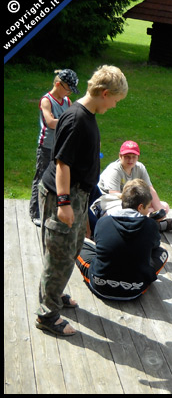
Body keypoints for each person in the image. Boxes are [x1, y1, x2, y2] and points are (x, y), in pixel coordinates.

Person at [36, 65, 128, 337]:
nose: (114, 106)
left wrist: (84, 207)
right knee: (59, 255)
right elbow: (62, 163)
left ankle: (56, 292)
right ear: (104, 93)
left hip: (78, 195)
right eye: (115, 100)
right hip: (62, 195)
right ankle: (47, 315)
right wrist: (64, 205)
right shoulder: (77, 119)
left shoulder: (86, 115)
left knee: (71, 249)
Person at [76, 179, 169, 300]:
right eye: (148, 207)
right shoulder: (150, 226)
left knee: (78, 243)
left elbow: (100, 246)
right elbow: (155, 248)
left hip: (100, 285)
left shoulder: (103, 222)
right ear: (140, 207)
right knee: (163, 251)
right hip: (134, 290)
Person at [30, 69, 79, 226]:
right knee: (40, 178)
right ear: (58, 84)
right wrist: (68, 121)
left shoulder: (67, 101)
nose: (70, 92)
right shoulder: (47, 100)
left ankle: (51, 208)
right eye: (68, 88)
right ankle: (35, 212)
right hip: (46, 146)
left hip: (60, 146)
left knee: (56, 178)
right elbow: (50, 122)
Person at [95, 140, 172, 231]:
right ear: (120, 156)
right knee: (123, 212)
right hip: (108, 204)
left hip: (131, 203)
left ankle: (147, 222)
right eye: (127, 157)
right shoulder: (114, 170)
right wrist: (140, 209)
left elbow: (150, 190)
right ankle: (151, 224)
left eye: (134, 157)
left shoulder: (140, 167)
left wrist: (160, 213)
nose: (131, 160)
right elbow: (115, 197)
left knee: (165, 206)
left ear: (138, 157)